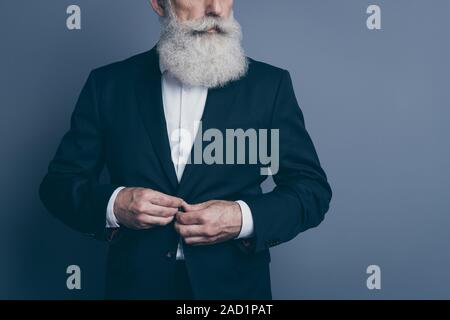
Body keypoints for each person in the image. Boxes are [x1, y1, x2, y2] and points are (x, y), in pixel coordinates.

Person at [39, 0, 332, 299]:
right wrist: (115, 204)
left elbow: (311, 191)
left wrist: (242, 218)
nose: (216, 8)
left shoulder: (269, 86)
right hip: (136, 288)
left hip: (234, 292)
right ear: (158, 4)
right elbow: (58, 185)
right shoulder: (108, 85)